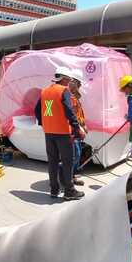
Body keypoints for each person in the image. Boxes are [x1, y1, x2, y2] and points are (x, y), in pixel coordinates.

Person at [34, 67, 85, 201]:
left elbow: (37, 110)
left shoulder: (45, 91)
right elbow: (69, 111)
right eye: (68, 80)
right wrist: (76, 128)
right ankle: (69, 191)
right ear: (63, 78)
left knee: (53, 162)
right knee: (68, 161)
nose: (69, 82)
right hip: (62, 132)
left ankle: (54, 190)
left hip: (49, 132)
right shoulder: (63, 91)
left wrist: (43, 123)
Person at [68, 69, 86, 185]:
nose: (80, 86)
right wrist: (80, 127)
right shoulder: (69, 97)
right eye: (78, 83)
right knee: (75, 155)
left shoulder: (75, 97)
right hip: (72, 131)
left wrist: (84, 125)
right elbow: (72, 116)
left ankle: (72, 176)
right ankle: (69, 178)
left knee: (77, 154)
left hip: (77, 130)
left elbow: (79, 113)